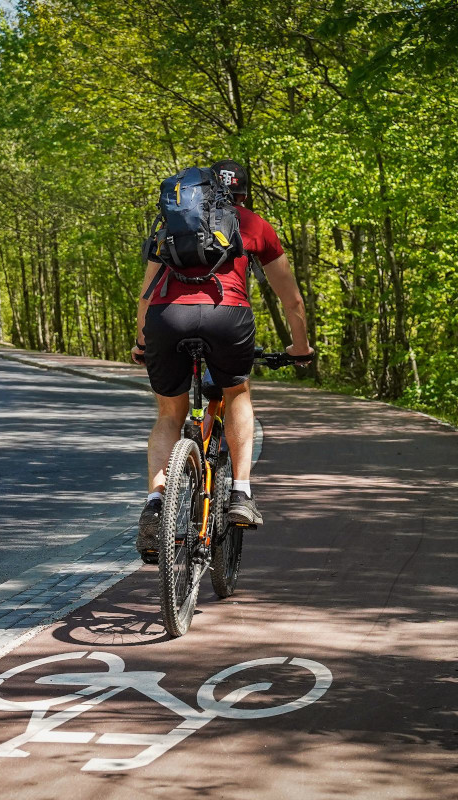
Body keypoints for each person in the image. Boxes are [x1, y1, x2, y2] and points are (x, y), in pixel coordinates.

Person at [131, 159, 312, 559]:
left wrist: (143, 342)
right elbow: (292, 299)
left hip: (167, 317)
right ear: (244, 194)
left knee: (168, 416)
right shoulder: (254, 225)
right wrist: (300, 348)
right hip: (227, 316)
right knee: (237, 393)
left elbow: (146, 295)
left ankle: (156, 505)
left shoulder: (174, 224)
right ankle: (241, 494)